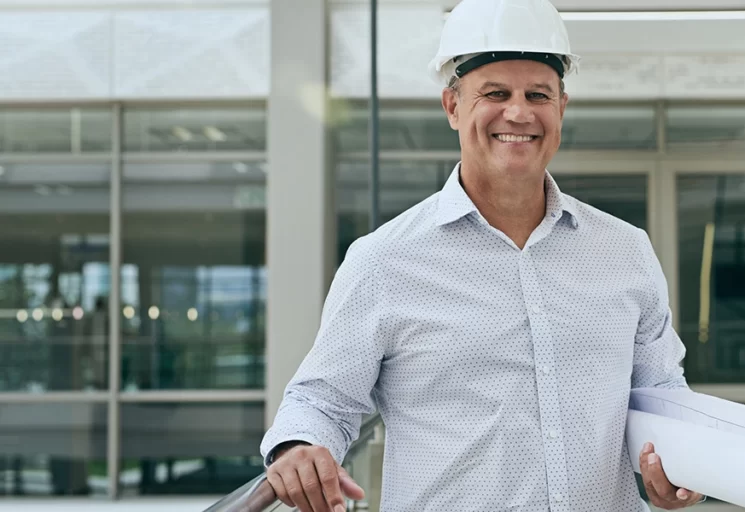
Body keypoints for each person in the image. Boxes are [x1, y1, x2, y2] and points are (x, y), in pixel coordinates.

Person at [261, 0, 704, 510]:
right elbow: (321, 400)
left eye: (537, 94)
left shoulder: (626, 251)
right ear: (452, 107)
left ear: (561, 108)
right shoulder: (383, 261)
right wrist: (297, 447)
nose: (518, 112)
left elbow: (661, 391)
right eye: (495, 93)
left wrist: (677, 463)